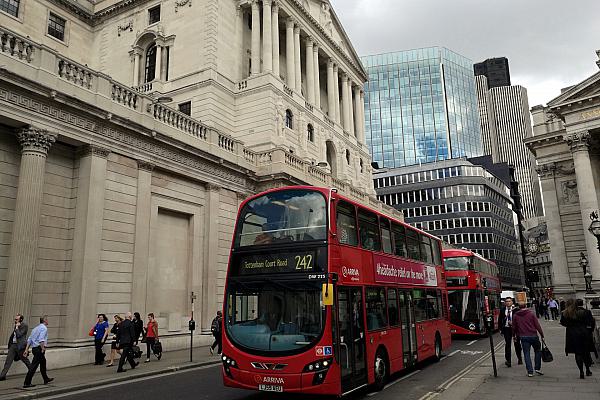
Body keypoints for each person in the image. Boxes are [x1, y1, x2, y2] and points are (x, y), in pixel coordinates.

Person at [560, 298, 595, 378]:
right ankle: (587, 369)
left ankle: (581, 371)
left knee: (578, 353)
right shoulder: (586, 312)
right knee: (585, 352)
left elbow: (563, 323)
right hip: (584, 333)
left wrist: (570, 326)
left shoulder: (566, 313)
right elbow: (591, 323)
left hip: (572, 334)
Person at [512, 302, 544, 377]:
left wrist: (514, 335)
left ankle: (530, 371)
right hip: (533, 335)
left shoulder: (516, 315)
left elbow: (514, 327)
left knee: (526, 354)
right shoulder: (531, 313)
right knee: (538, 350)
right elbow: (537, 325)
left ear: (518, 307)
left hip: (523, 337)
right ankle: (537, 368)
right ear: (526, 306)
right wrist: (542, 335)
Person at [23, 315, 53, 388]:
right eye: (47, 320)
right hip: (39, 349)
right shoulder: (44, 328)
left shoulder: (35, 328)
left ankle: (45, 379)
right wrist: (43, 348)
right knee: (34, 366)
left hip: (34, 349)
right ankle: (27, 383)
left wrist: (26, 350)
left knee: (43, 362)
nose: (48, 321)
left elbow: (29, 339)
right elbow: (41, 339)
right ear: (45, 320)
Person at [0, 314, 31, 380]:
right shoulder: (16, 325)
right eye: (15, 319)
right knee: (8, 360)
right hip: (13, 345)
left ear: (21, 319)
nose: (15, 320)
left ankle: (31, 370)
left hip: (20, 346)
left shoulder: (24, 325)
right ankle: (2, 375)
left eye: (16, 319)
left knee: (25, 360)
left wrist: (17, 328)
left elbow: (19, 335)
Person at [498, 297, 522, 367]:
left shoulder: (516, 310)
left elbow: (520, 320)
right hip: (506, 329)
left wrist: (513, 323)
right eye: (506, 301)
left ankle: (519, 358)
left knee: (517, 344)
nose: (508, 302)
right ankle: (508, 361)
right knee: (507, 345)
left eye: (509, 301)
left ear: (512, 302)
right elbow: (500, 320)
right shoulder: (502, 310)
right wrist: (500, 329)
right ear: (505, 303)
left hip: (515, 329)